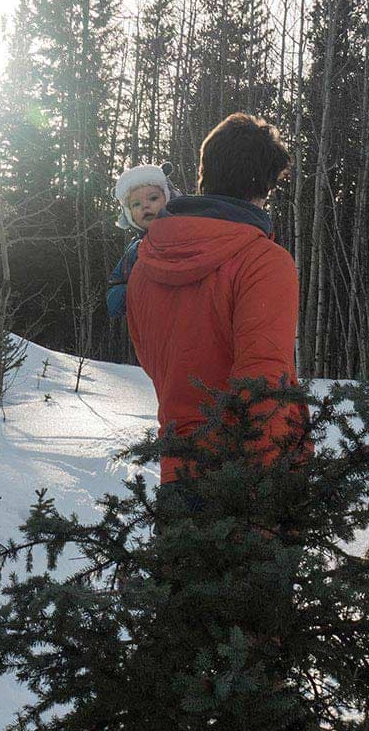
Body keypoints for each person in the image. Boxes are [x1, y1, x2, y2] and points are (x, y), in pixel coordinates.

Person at [126, 113, 302, 485]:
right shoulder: (264, 261)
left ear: (204, 174)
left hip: (177, 470)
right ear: (265, 186)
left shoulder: (144, 265)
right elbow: (264, 379)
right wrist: (273, 487)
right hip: (247, 480)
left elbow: (153, 360)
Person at [106, 163, 175, 320]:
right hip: (152, 324)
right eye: (136, 204)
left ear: (168, 197)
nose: (145, 205)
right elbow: (114, 293)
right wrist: (136, 291)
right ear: (129, 214)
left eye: (153, 198)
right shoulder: (135, 249)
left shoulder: (187, 233)